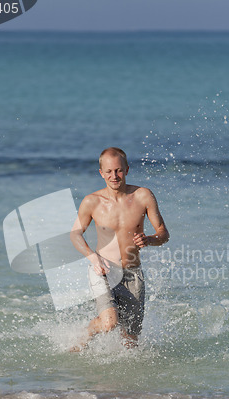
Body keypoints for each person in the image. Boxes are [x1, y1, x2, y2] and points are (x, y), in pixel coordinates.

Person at [70, 147, 169, 351]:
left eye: (118, 170)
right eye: (109, 171)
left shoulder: (143, 196)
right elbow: (75, 234)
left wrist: (149, 239)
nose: (114, 176)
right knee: (110, 323)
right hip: (104, 270)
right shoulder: (92, 201)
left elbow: (163, 233)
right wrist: (92, 257)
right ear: (101, 173)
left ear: (127, 169)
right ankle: (86, 336)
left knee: (131, 341)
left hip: (133, 274)